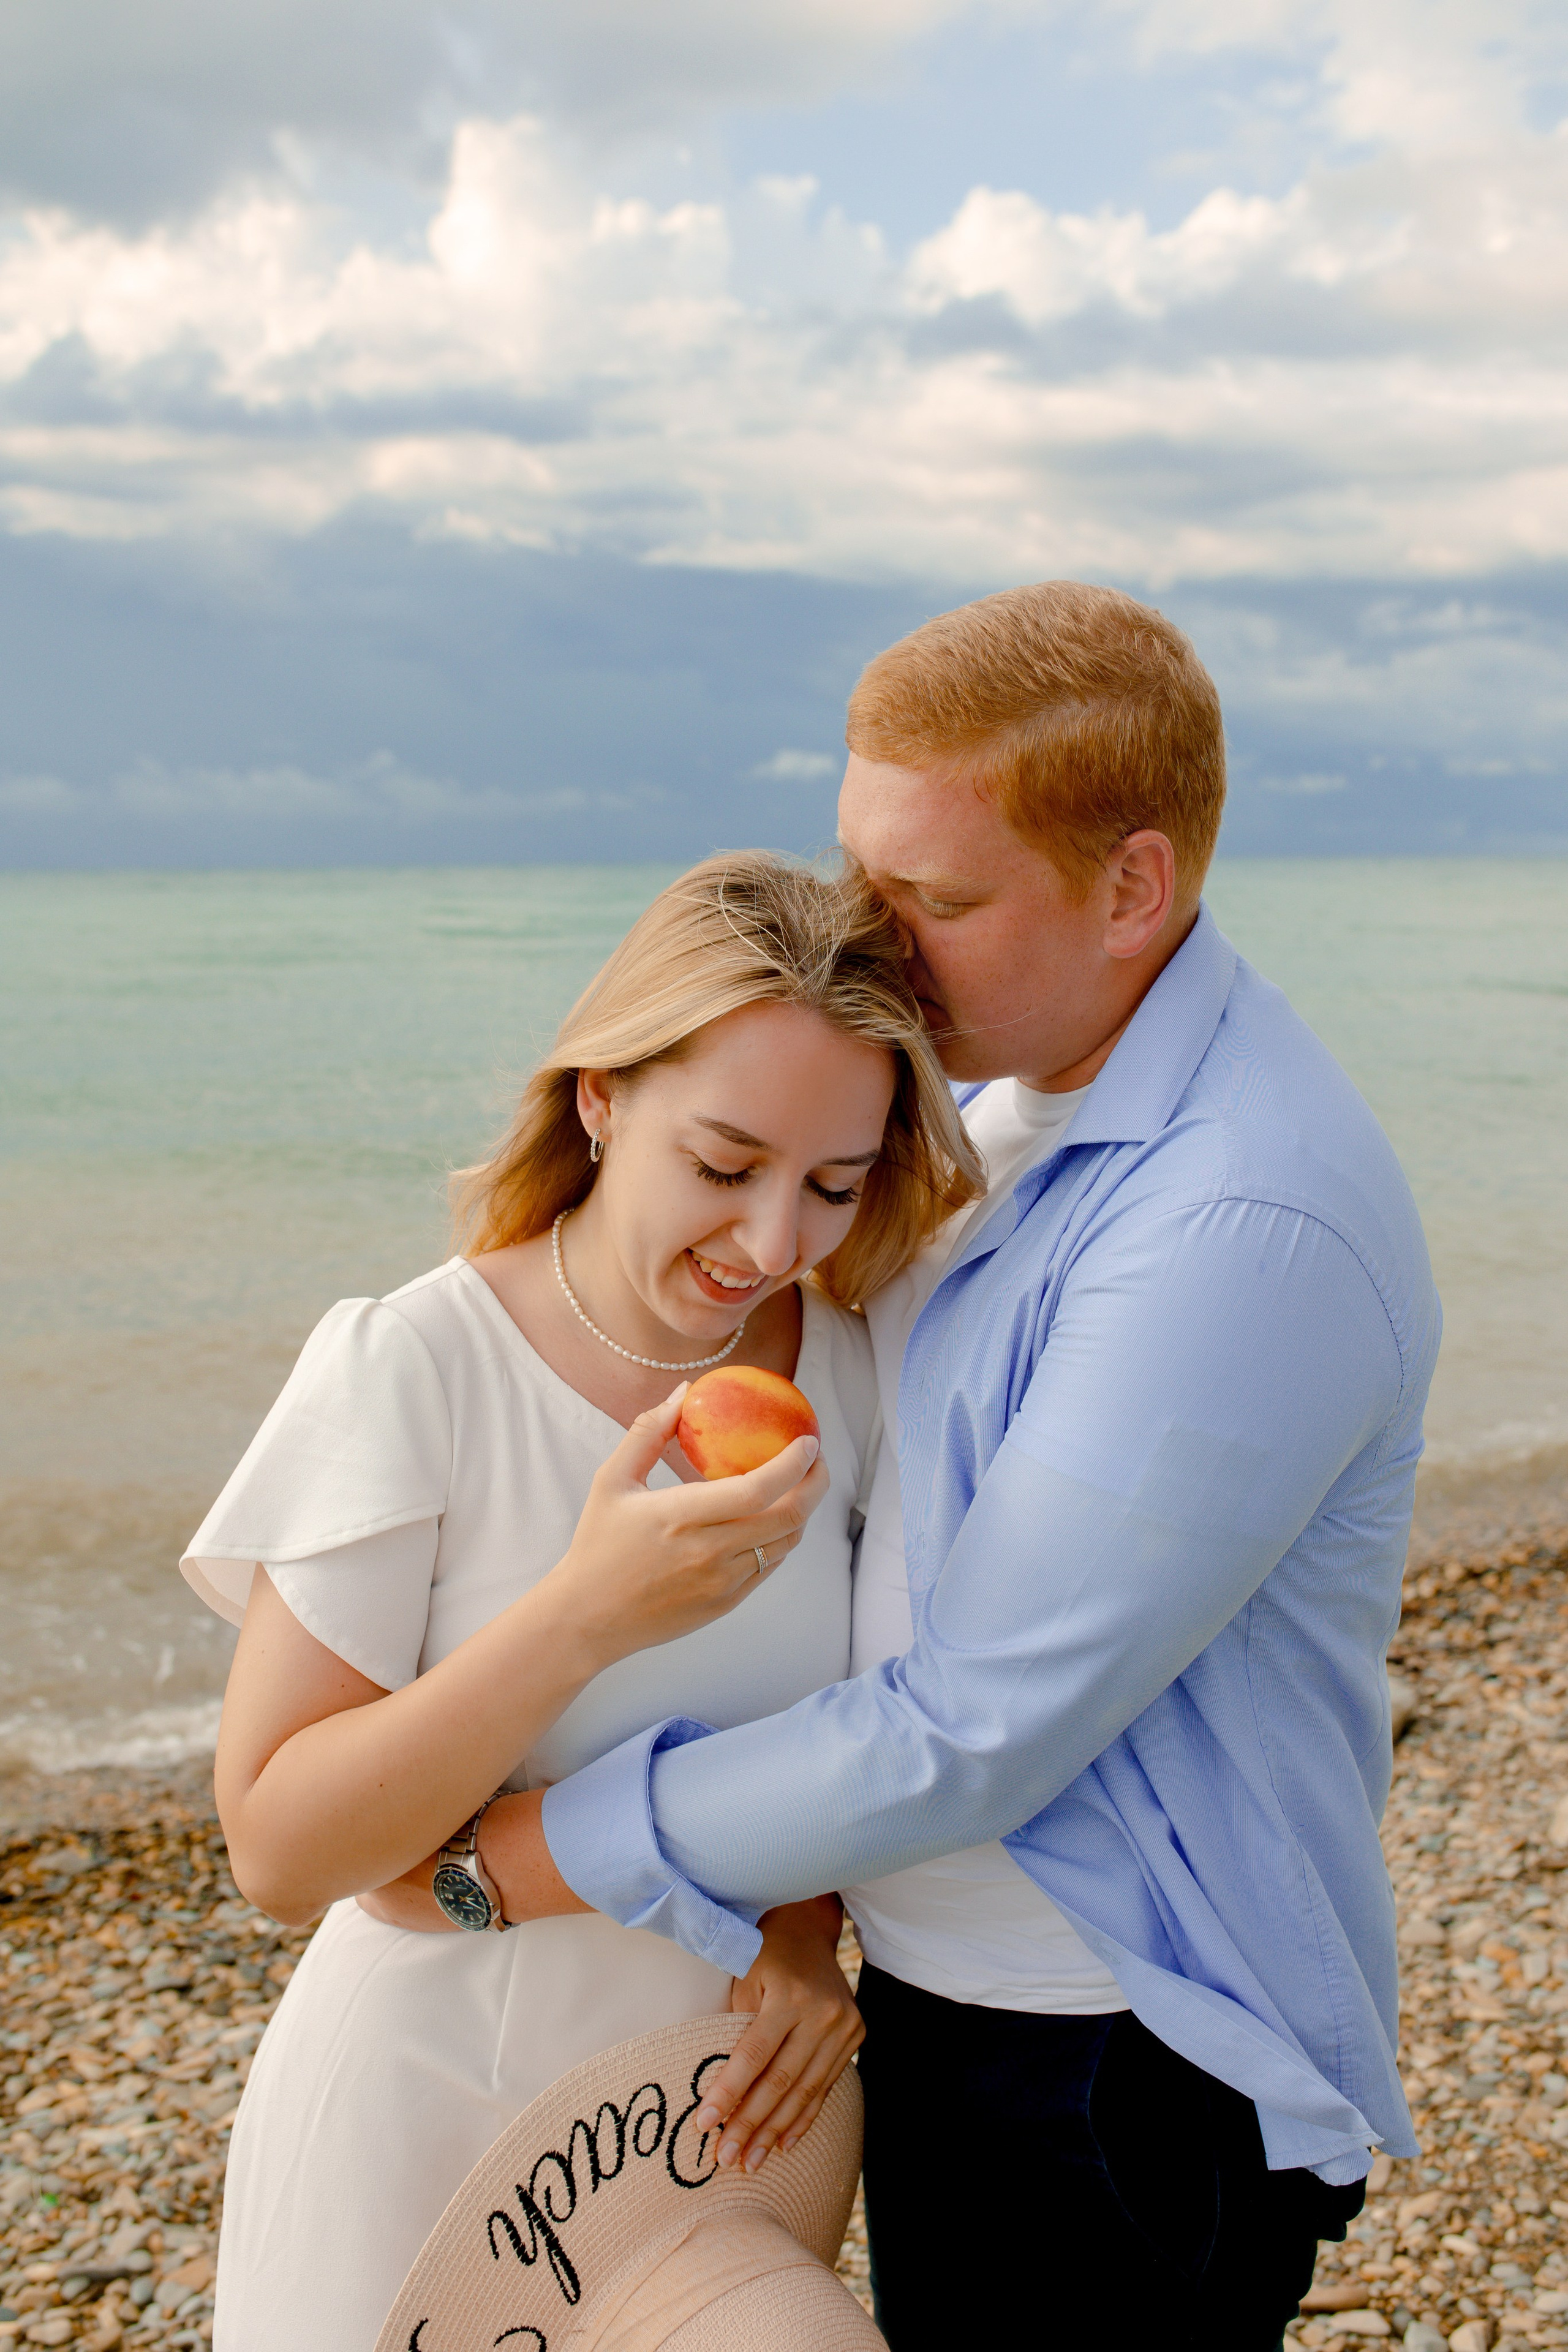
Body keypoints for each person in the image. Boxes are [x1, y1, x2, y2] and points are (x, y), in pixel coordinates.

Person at [480, 584, 1442, 2350]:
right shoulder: (1010, 1107)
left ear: (1133, 888)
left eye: (937, 897)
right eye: (865, 873)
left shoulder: (1238, 1214)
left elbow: (974, 1724)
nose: (878, 940)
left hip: (1111, 2057)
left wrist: (523, 1852)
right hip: (952, 2002)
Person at [178, 852, 979, 2352]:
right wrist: (587, 1612)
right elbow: (282, 1849)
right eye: (722, 1165)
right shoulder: (415, 1367)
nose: (768, 1245)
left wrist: (804, 1934)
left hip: (701, 2124)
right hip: (412, 2114)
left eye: (831, 1184)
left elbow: (850, 1730)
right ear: (601, 1099)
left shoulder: (856, 1370)